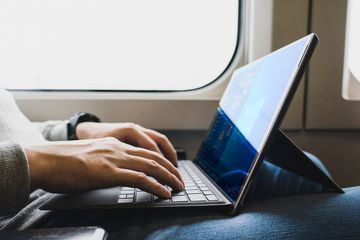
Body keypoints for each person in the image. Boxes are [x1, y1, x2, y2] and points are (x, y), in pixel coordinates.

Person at [0, 88, 360, 239]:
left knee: (294, 167)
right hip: (41, 221)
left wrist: (74, 130)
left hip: (54, 191)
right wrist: (34, 162)